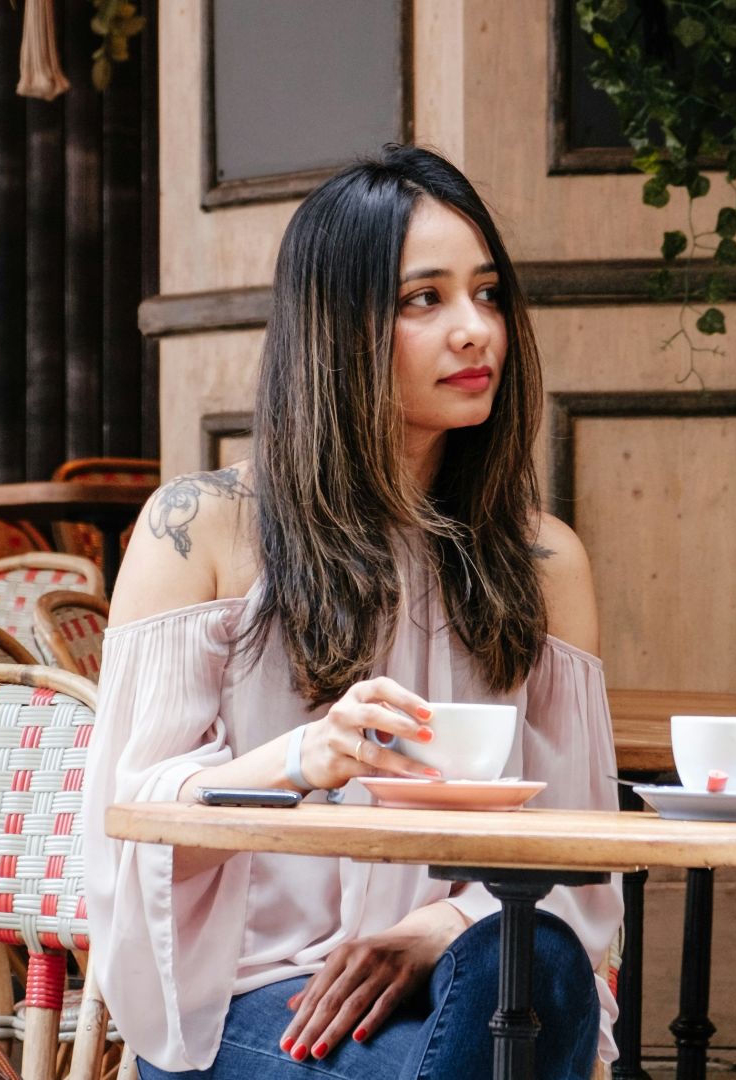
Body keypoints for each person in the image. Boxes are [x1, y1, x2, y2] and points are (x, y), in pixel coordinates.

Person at [83, 144, 623, 1079]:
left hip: (462, 984)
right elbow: (129, 829)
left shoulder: (543, 561)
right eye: (426, 299)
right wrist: (301, 758)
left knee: (537, 962)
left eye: (488, 294)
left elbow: (581, 867)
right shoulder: (198, 528)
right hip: (247, 1006)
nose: (475, 331)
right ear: (337, 325)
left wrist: (440, 926)